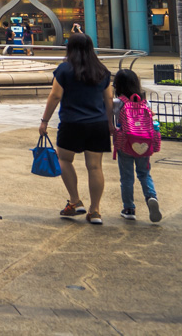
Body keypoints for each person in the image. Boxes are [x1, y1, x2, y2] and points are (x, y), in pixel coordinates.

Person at [39, 32, 114, 224]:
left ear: (69, 48)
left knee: (64, 159)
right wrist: (110, 123)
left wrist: (44, 121)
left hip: (72, 123)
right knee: (95, 167)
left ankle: (74, 201)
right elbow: (108, 99)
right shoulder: (102, 71)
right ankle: (95, 211)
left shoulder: (64, 70)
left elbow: (55, 96)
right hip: (97, 124)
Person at [112, 69, 162, 222]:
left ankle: (129, 208)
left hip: (125, 143)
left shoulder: (118, 102)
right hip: (145, 143)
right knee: (144, 173)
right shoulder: (145, 102)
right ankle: (151, 197)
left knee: (127, 177)